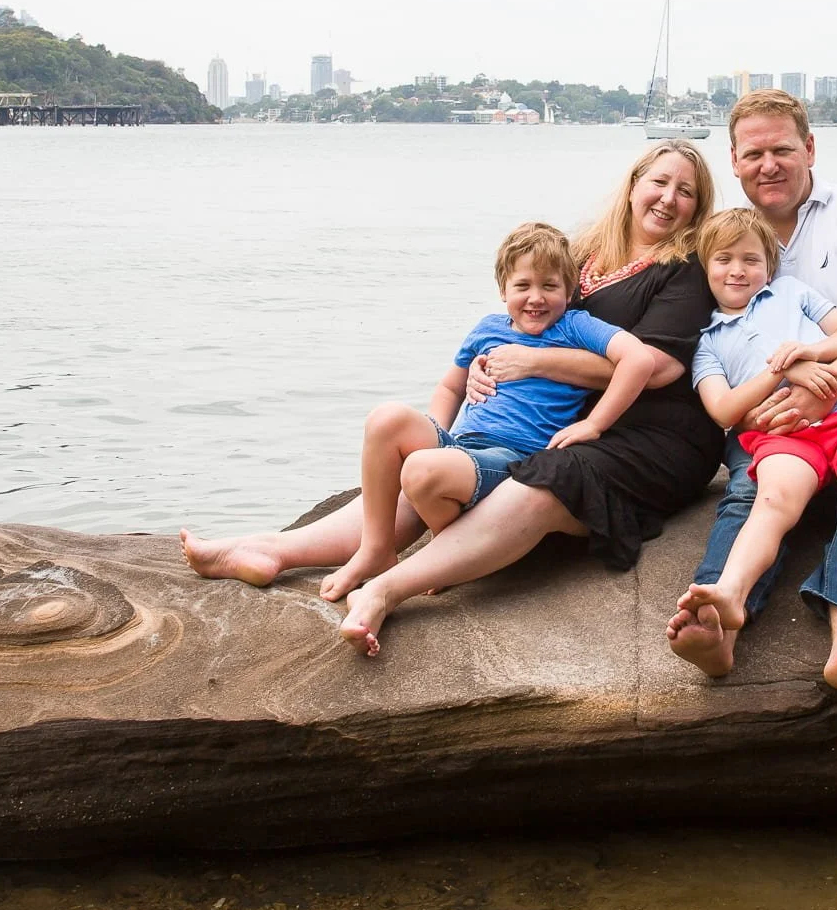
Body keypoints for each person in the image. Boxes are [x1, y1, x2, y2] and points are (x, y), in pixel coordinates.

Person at [181, 140, 722, 653]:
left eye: (687, 191)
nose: (669, 199)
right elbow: (521, 322)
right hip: (558, 419)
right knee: (429, 466)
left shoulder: (685, 269)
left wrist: (531, 363)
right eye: (659, 182)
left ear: (699, 208)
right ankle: (273, 550)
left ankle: (387, 589)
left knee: (546, 478)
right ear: (632, 185)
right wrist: (484, 371)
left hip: (651, 433)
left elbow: (656, 368)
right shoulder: (580, 255)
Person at [278, 222, 658, 654]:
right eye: (523, 285)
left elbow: (639, 360)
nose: (536, 297)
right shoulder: (487, 328)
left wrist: (595, 424)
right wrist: (438, 436)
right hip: (461, 447)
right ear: (502, 289)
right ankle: (377, 548)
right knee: (385, 419)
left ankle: (447, 558)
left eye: (550, 286)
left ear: (570, 292)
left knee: (421, 473)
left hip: (513, 458)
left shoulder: (575, 327)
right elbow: (449, 388)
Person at [669, 89, 837, 690]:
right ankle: (719, 625)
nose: (769, 165)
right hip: (772, 429)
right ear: (734, 161)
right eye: (754, 153)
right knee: (748, 492)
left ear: (809, 148)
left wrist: (829, 383)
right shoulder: (724, 243)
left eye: (783, 149)